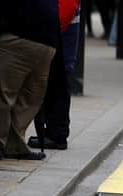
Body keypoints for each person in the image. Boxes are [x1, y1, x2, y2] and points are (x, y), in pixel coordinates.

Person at [0, 0, 59, 162]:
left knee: (29, 99)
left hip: (44, 40)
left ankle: (13, 144)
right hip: (18, 35)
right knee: (4, 96)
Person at [29, 0, 81, 151]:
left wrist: (48, 31)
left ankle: (56, 135)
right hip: (61, 39)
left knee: (57, 87)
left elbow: (65, 10)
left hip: (61, 41)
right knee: (56, 87)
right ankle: (53, 133)